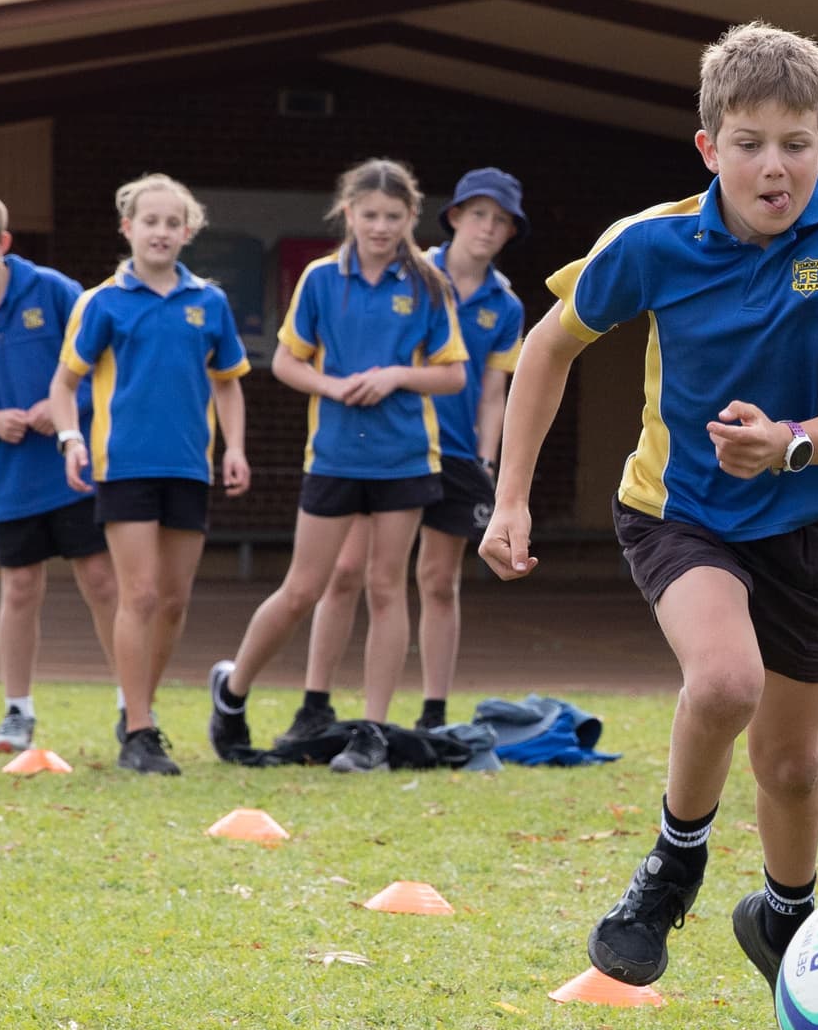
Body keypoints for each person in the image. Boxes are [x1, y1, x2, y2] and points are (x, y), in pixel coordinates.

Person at [481, 20, 818, 988]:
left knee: (793, 769)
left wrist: (787, 442)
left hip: (803, 521)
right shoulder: (652, 242)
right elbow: (545, 349)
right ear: (709, 147)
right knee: (724, 682)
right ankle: (671, 866)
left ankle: (786, 920)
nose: (774, 166)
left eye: (796, 144)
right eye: (750, 143)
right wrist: (511, 500)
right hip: (681, 511)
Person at [204, 159, 466, 768]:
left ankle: (372, 730)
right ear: (348, 213)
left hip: (405, 458)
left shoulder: (428, 281)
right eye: (370, 215)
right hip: (334, 457)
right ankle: (233, 690)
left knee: (384, 586)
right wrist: (332, 386)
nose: (381, 227)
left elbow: (453, 374)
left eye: (393, 217)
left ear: (410, 218)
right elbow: (289, 361)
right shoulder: (321, 280)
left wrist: (398, 374)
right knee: (304, 588)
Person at [305, 168, 527, 733]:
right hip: (391, 446)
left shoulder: (506, 305)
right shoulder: (412, 274)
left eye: (501, 220)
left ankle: (432, 711)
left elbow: (493, 392)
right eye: (479, 214)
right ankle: (320, 705)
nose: (488, 227)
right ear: (452, 217)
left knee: (435, 579)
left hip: (455, 455)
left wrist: (485, 457)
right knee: (350, 572)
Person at [56, 173, 252, 774]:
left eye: (173, 223)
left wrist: (235, 449)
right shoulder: (103, 302)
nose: (161, 232)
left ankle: (140, 708)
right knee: (137, 593)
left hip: (189, 468)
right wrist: (70, 440)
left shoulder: (209, 303)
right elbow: (64, 385)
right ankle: (139, 728)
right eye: (150, 221)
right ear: (128, 228)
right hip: (125, 468)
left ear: (187, 231)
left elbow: (229, 384)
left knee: (173, 601)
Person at [0, 186, 115, 758]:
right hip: (9, 482)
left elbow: (101, 364)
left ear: (3, 242)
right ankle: (17, 712)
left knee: (104, 583)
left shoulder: (56, 292)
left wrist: (62, 412)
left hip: (75, 469)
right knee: (20, 589)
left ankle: (134, 705)